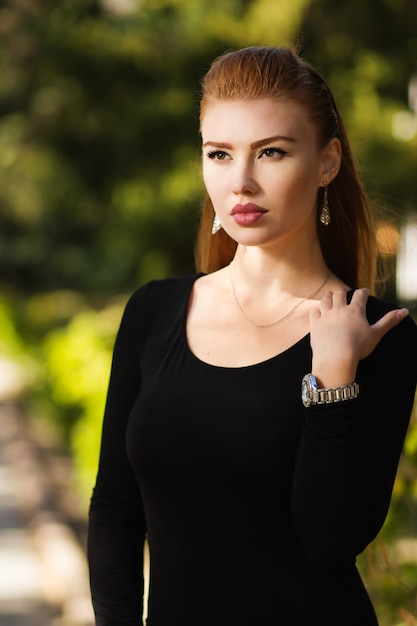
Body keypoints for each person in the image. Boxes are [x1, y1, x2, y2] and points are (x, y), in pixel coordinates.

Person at [87, 46, 417, 626]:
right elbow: (115, 507)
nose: (240, 182)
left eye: (271, 152)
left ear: (327, 162)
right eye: (219, 153)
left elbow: (328, 540)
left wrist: (332, 380)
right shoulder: (153, 311)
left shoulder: (379, 335)